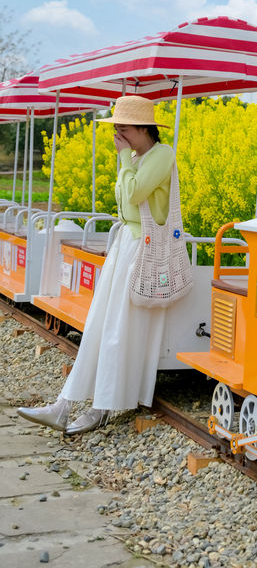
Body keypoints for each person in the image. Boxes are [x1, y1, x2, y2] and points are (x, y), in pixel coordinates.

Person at [18, 95, 175, 435]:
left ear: (143, 128)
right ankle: (64, 404)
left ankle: (101, 407)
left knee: (118, 331)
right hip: (126, 246)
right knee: (99, 327)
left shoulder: (161, 155)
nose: (118, 135)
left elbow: (134, 196)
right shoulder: (134, 157)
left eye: (124, 129)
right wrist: (126, 159)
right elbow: (124, 201)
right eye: (116, 129)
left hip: (143, 250)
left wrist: (123, 159)